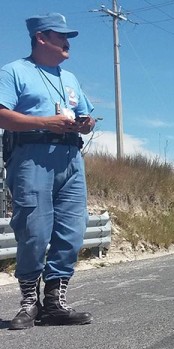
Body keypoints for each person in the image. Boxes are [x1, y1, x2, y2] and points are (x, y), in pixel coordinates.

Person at [0, 13, 95, 330]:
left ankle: (55, 303)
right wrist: (45, 123)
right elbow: (1, 115)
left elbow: (87, 118)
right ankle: (29, 302)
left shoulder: (70, 79)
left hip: (70, 158)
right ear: (41, 38)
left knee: (72, 229)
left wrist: (85, 124)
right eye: (61, 36)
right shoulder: (14, 71)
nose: (68, 42)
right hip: (31, 157)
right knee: (34, 231)